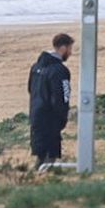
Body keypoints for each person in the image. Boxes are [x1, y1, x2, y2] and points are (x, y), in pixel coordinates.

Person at [28, 33, 74, 167]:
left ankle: (36, 175)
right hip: (50, 116)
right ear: (63, 48)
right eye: (70, 49)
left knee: (40, 152)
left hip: (36, 113)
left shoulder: (36, 67)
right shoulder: (59, 70)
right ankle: (41, 178)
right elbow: (62, 96)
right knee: (50, 154)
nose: (70, 53)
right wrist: (62, 116)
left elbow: (31, 89)